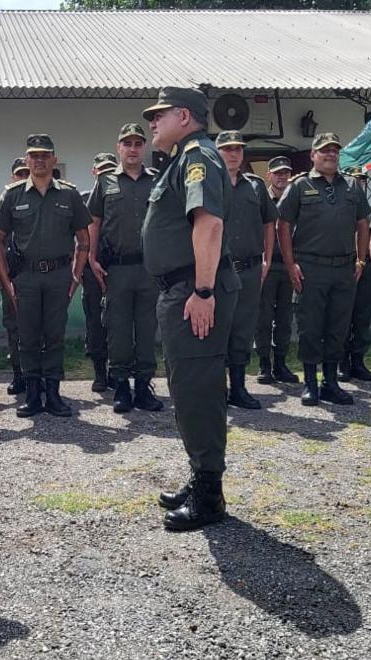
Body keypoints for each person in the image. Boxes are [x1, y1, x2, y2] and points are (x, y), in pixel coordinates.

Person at [142, 88, 239, 531]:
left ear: (184, 115)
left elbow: (209, 224)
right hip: (181, 288)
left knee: (197, 388)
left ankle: (209, 494)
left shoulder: (199, 156)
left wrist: (202, 292)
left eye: (159, 115)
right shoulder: (184, 158)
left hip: (193, 290)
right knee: (186, 386)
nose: (152, 123)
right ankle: (200, 475)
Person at [0, 134, 91, 418]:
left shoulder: (69, 194)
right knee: (28, 336)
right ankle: (33, 394)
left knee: (55, 335)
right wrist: (5, 275)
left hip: (59, 276)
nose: (39, 160)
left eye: (45, 155)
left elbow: (83, 237)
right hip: (27, 278)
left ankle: (54, 394)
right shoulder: (13, 195)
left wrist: (77, 274)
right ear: (26, 160)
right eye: (34, 156)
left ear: (54, 160)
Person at [276, 132, 370, 407]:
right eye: (324, 151)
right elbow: (283, 224)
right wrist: (291, 263)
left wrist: (361, 259)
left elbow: (363, 223)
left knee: (338, 327)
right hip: (310, 268)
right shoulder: (300, 186)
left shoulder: (352, 186)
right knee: (310, 326)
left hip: (343, 268)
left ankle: (331, 383)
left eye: (334, 151)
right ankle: (310, 384)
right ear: (313, 155)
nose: (330, 155)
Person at [87, 123, 163, 414]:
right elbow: (94, 221)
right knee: (118, 329)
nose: (132, 149)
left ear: (144, 148)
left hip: (149, 269)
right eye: (127, 143)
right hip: (115, 269)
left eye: (137, 143)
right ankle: (120, 386)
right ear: (118, 147)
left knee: (146, 329)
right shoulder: (105, 182)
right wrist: (92, 258)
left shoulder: (157, 181)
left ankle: (143, 387)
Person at [215, 131, 278, 410]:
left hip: (250, 268)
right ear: (217, 152)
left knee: (243, 328)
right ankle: (217, 389)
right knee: (217, 329)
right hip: (217, 269)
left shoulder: (255, 185)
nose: (233, 153)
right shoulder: (207, 185)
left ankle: (238, 387)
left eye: (238, 149)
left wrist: (266, 258)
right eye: (227, 149)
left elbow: (269, 223)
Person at [255, 155, 300, 385]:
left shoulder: (297, 197)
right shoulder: (261, 198)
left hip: (289, 265)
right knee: (263, 316)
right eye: (278, 173)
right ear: (268, 175)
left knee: (284, 317)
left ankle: (281, 363)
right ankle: (264, 364)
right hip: (268, 265)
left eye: (285, 173)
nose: (282, 177)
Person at [80, 152, 119, 392]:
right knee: (95, 320)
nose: (105, 174)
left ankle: (116, 370)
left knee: (118, 322)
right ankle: (99, 372)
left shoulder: (119, 197)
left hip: (116, 267)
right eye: (101, 170)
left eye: (109, 170)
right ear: (94, 172)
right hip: (91, 269)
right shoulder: (82, 200)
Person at [338, 165, 371, 383]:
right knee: (343, 314)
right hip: (345, 264)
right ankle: (342, 361)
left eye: (362, 180)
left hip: (367, 265)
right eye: (355, 180)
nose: (359, 183)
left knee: (363, 315)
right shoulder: (340, 206)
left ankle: (358, 359)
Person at [0, 158, 29, 395]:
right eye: (20, 173)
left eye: (27, 172)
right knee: (14, 328)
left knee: (41, 329)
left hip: (37, 275)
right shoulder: (5, 202)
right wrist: (0, 274)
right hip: (12, 278)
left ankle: (42, 376)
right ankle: (19, 374)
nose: (24, 176)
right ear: (12, 176)